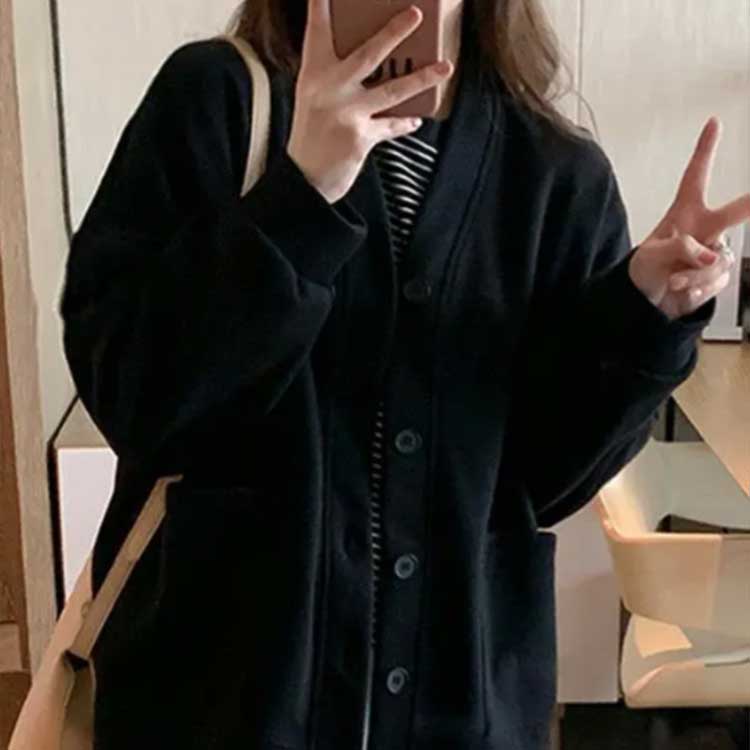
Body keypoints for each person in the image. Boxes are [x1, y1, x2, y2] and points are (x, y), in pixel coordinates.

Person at [58, 0, 749, 748]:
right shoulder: (218, 103)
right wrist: (300, 194)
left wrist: (644, 315)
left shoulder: (555, 175)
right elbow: (133, 394)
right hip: (218, 710)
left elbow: (542, 482)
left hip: (459, 712)